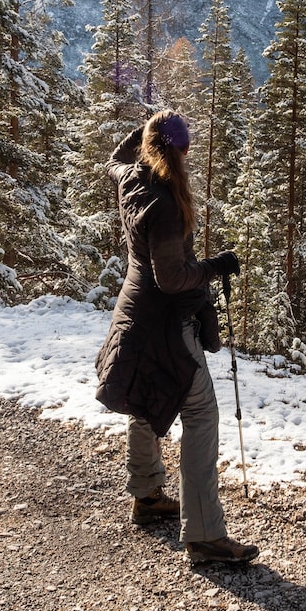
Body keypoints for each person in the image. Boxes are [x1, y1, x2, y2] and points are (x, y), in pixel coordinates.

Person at [94, 109, 259, 566]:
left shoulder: (131, 178)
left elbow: (113, 158)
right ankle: (205, 535)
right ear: (183, 151)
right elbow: (171, 277)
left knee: (148, 397)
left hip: (135, 314)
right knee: (202, 415)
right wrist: (216, 267)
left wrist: (146, 133)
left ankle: (147, 494)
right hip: (167, 323)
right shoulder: (165, 203)